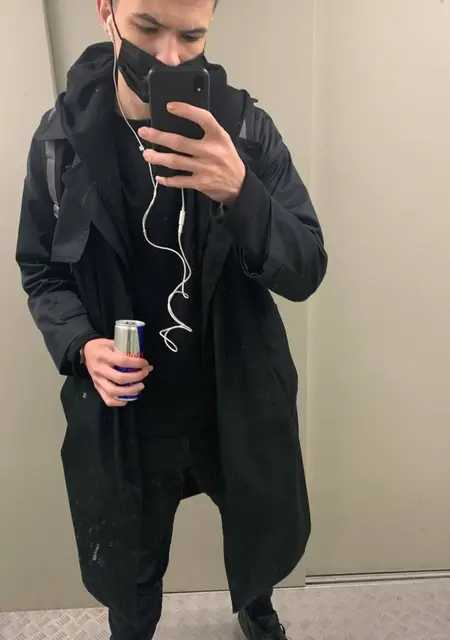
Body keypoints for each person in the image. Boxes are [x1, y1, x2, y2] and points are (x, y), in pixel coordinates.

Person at [16, 0, 327, 638]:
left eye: (191, 35)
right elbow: (41, 270)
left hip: (234, 396)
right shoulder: (60, 141)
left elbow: (307, 269)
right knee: (130, 576)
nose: (169, 56)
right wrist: (81, 345)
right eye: (148, 26)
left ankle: (256, 609)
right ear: (106, 11)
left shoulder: (246, 131)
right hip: (129, 411)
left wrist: (242, 192)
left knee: (257, 532)